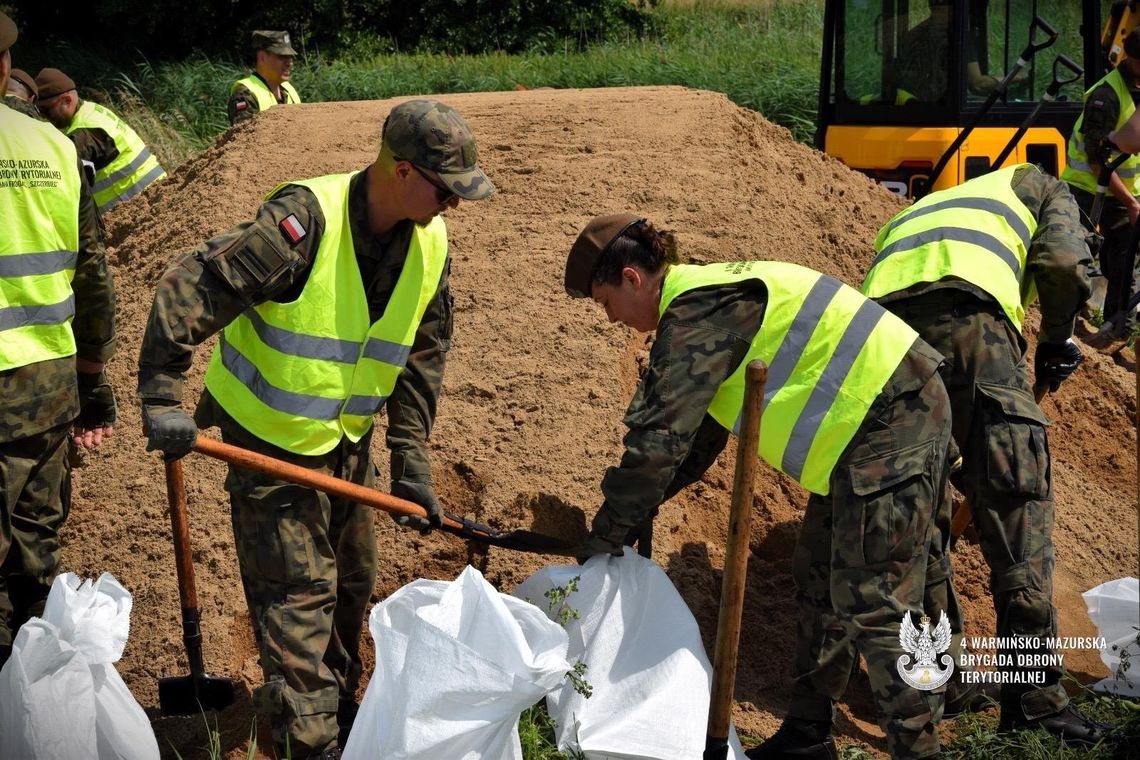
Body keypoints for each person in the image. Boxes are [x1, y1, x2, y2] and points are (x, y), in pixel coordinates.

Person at [138, 99, 494, 759]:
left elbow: (420, 360)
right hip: (268, 445)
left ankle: (343, 717)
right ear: (404, 171)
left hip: (345, 448)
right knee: (300, 601)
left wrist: (410, 462)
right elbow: (193, 284)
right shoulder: (302, 224)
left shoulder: (431, 243)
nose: (454, 204)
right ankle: (313, 745)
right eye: (446, 189)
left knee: (350, 588)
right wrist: (162, 392)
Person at [567, 215, 954, 759]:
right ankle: (806, 738)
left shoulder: (698, 311)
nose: (610, 319)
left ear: (631, 279)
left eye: (605, 302)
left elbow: (659, 444)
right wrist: (631, 517)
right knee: (820, 578)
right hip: (864, 434)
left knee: (875, 600)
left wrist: (606, 533)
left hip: (892, 420)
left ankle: (920, 754)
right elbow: (693, 447)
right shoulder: (708, 303)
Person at [862, 164, 1108, 744]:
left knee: (919, 518)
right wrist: (1055, 338)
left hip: (881, 342)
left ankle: (935, 682)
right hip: (973, 327)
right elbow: (1064, 265)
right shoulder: (1042, 185)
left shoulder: (915, 213)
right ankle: (1035, 700)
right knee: (1015, 504)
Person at [0, 10, 117, 670]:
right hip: (45, 381)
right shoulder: (55, 148)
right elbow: (93, 276)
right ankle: (34, 690)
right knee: (37, 539)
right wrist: (93, 377)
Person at [1061, 27, 1140, 337]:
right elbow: (1098, 163)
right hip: (1086, 191)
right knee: (1073, 258)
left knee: (1123, 262)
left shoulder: (1135, 89)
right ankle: (1070, 321)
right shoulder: (1106, 95)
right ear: (1134, 60)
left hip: (1121, 192)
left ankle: (1117, 330)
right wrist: (1132, 203)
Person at [34, 67, 167, 213]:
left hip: (141, 206)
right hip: (158, 190)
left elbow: (59, 182)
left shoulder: (83, 133)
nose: (44, 116)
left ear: (67, 100)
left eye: (46, 110)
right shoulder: (93, 110)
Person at [229, 30, 302, 125]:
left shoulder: (290, 90)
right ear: (262, 57)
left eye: (290, 57)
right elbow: (246, 137)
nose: (289, 63)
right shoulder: (245, 94)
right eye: (282, 56)